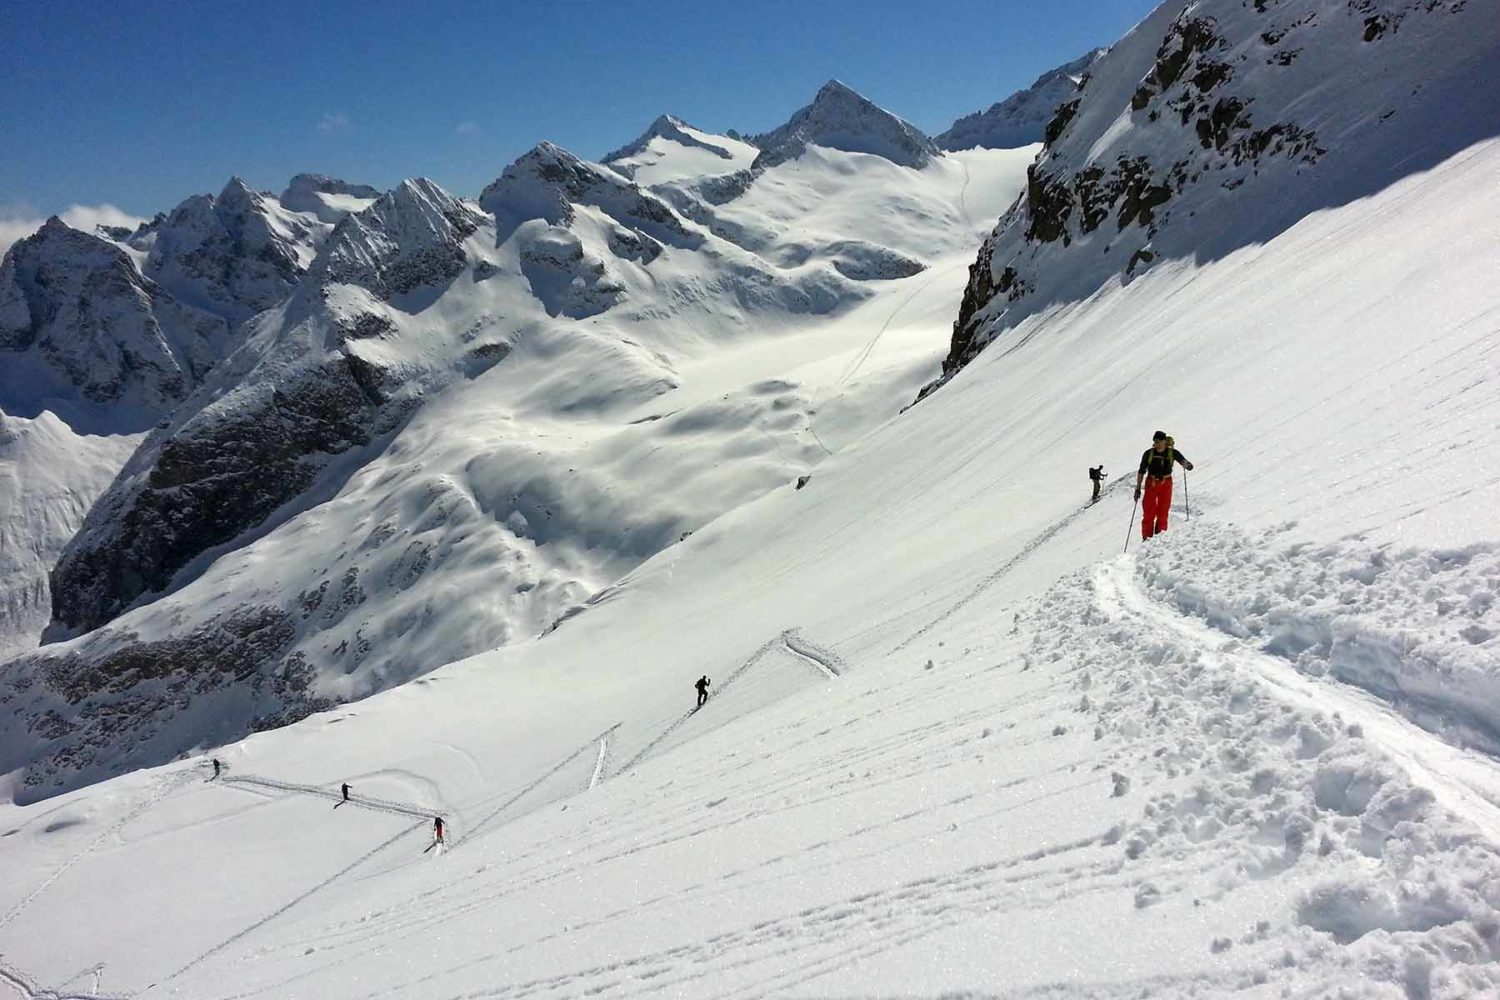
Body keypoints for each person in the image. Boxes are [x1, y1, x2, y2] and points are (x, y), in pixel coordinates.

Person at [1135, 431, 1193, 540]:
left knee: (1163, 510)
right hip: (1151, 483)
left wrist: (1187, 465)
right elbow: (1141, 471)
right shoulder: (1149, 454)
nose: (1157, 444)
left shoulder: (1172, 453)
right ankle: (1147, 538)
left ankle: (1160, 536)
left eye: (1159, 441)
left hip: (1166, 483)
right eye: (1155, 441)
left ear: (1164, 441)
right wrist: (1138, 488)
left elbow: (1183, 461)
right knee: (1149, 512)